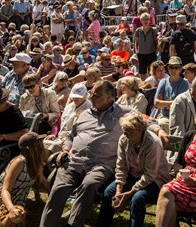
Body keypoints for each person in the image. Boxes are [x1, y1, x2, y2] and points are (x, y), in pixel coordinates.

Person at [40, 80, 132, 227]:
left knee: (89, 185)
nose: (91, 97)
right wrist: (65, 149)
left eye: (96, 95)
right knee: (58, 191)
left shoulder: (124, 112)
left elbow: (146, 122)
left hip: (101, 165)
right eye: (91, 93)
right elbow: (71, 136)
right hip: (73, 161)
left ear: (110, 97)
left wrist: (158, 130)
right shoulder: (85, 114)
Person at [97, 112, 170, 227]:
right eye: (124, 131)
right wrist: (118, 191)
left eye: (129, 131)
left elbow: (150, 174)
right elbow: (121, 166)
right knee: (108, 193)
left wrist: (129, 193)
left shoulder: (152, 143)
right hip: (134, 174)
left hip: (155, 178)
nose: (126, 134)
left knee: (137, 198)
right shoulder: (124, 139)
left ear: (140, 130)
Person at [0, 132, 48, 227]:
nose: (41, 143)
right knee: (10, 221)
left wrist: (55, 193)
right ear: (30, 147)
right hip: (1, 201)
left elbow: (43, 181)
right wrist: (11, 209)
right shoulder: (19, 162)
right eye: (38, 142)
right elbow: (5, 190)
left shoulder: (36, 162)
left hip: (18, 203)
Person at [134, 12, 158, 81]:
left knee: (152, 73)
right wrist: (137, 52)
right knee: (142, 73)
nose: (146, 21)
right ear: (141, 21)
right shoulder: (138, 30)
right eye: (144, 19)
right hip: (141, 54)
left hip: (151, 54)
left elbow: (156, 42)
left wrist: (156, 52)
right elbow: (136, 43)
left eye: (147, 19)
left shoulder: (153, 30)